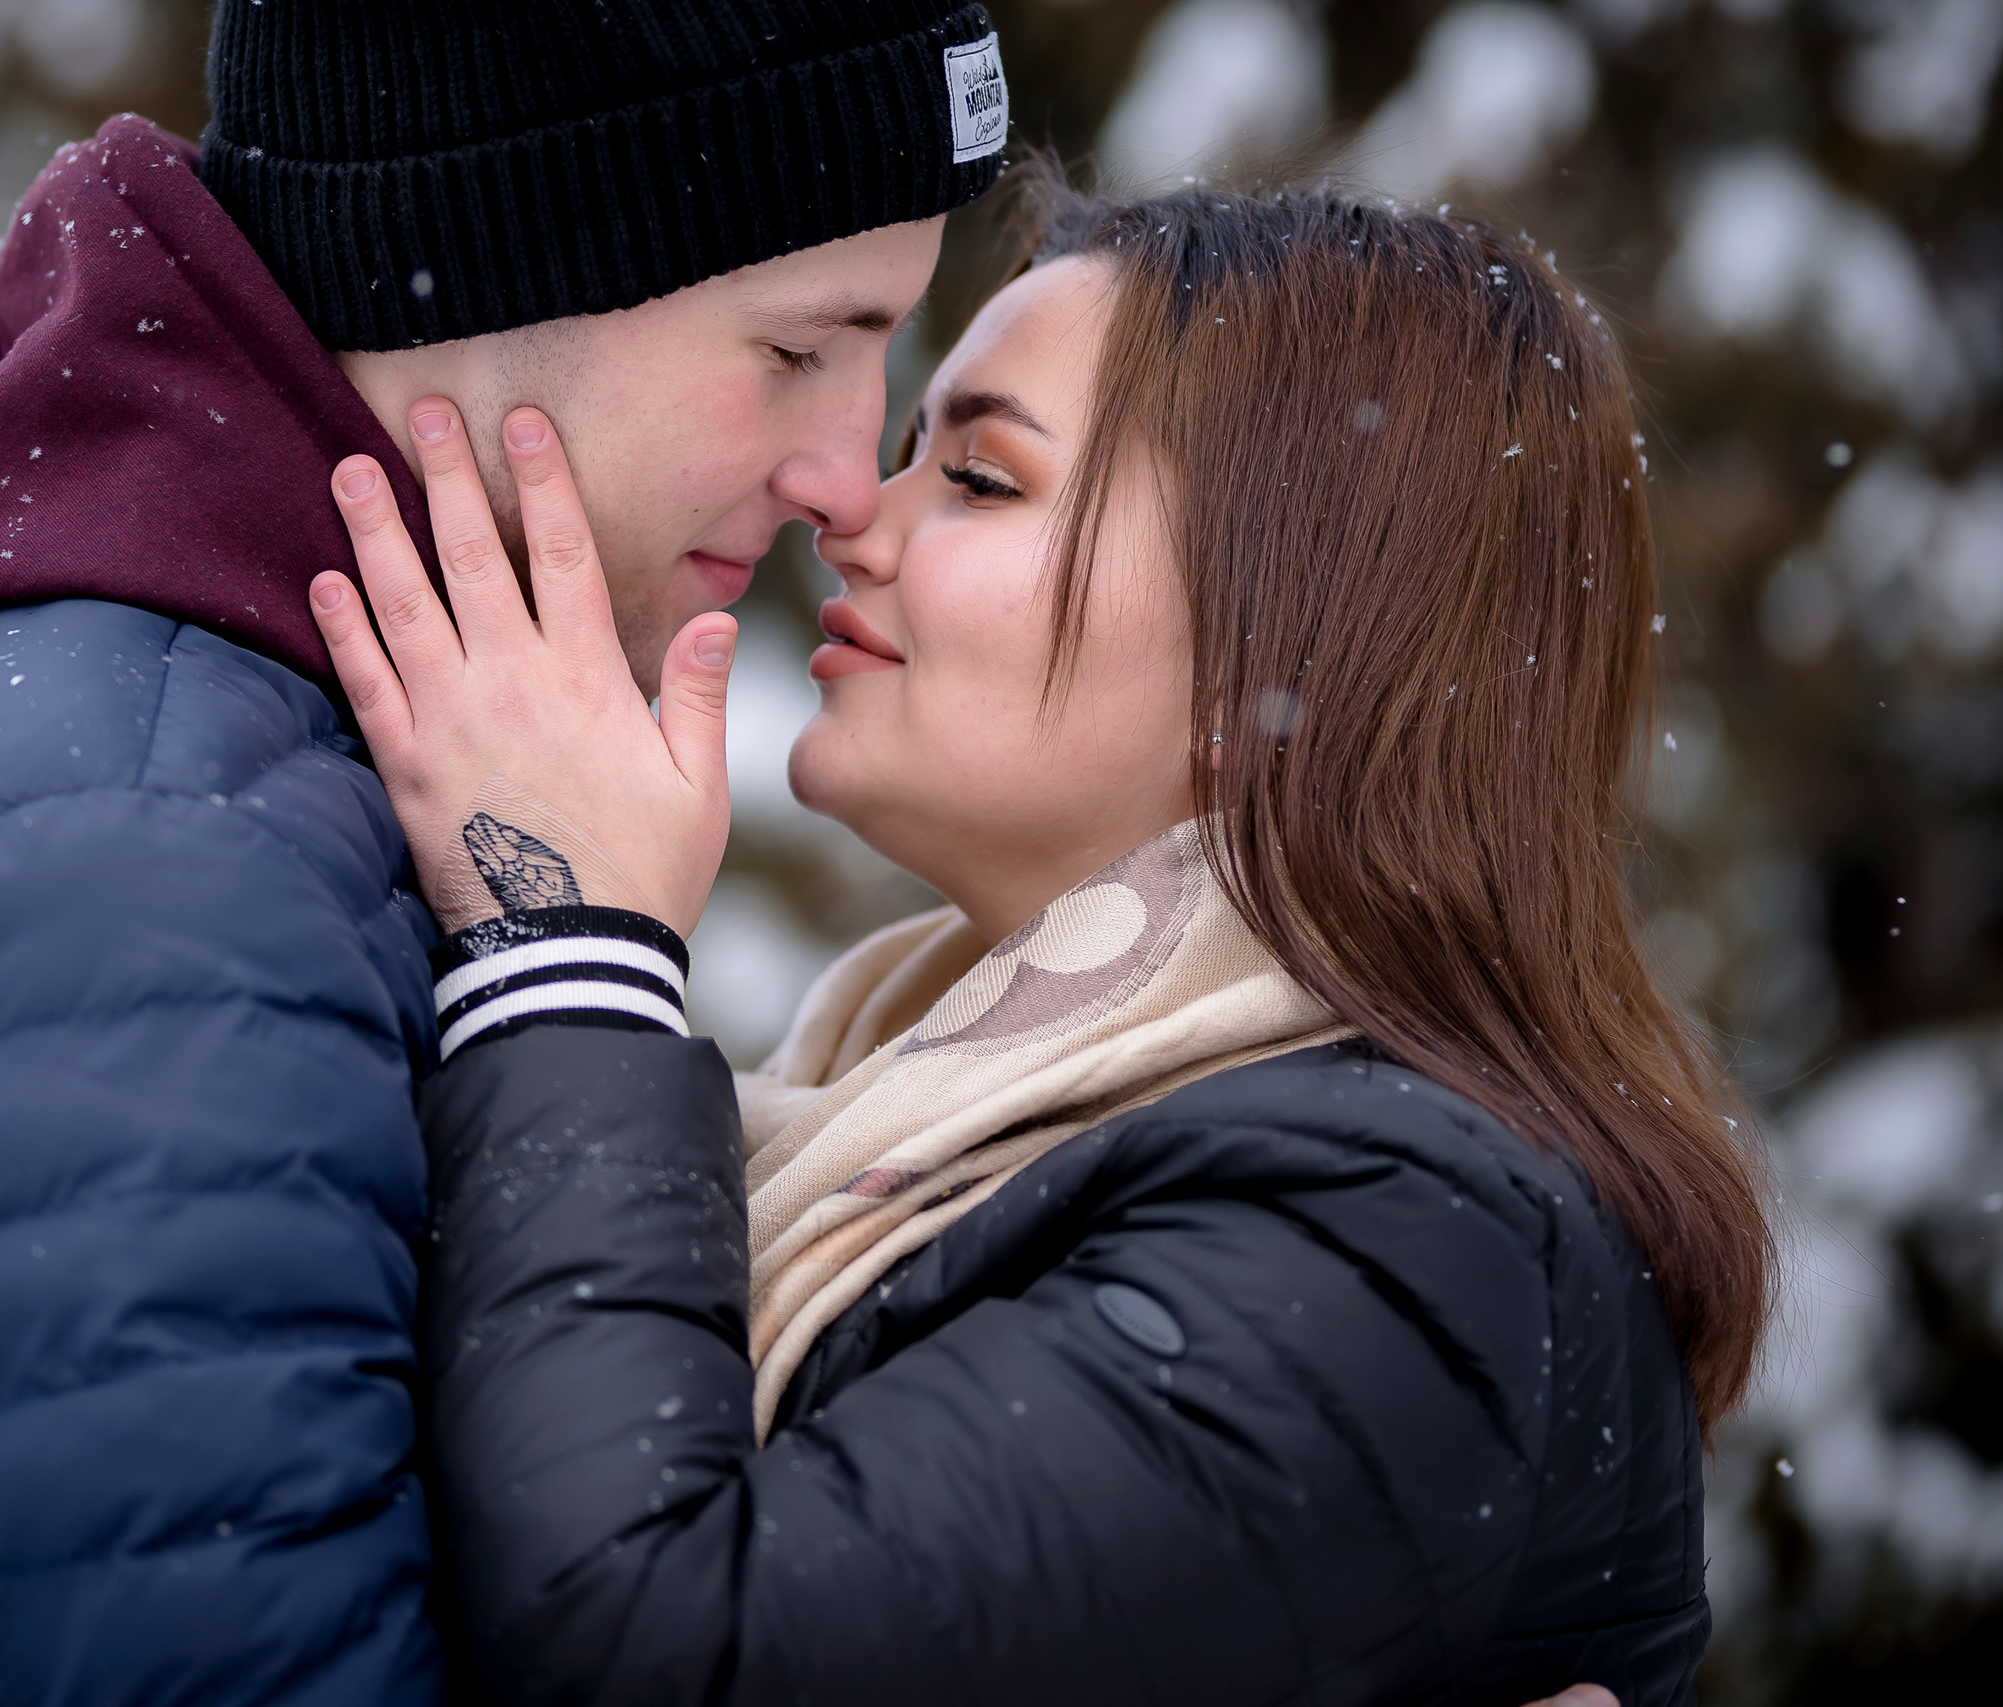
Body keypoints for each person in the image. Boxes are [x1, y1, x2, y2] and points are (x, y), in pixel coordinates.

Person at [0, 5, 1011, 1703]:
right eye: (801, 347)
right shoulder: (103, 858)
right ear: (512, 252)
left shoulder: (288, 756)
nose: (847, 477)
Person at [310, 173, 1774, 1705]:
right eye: (912, 453)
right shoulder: (985, 1118)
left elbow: (660, 1655)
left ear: (1286, 649)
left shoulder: (1410, 1238)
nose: (852, 515)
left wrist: (571, 954)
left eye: (981, 477)